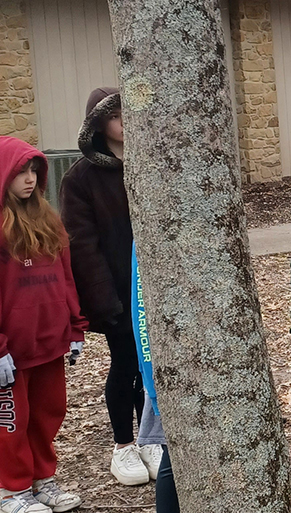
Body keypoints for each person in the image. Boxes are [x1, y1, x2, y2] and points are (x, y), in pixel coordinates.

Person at [60, 87, 160, 487]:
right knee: (125, 363)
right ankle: (123, 444)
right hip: (118, 292)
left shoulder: (149, 164)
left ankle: (149, 435)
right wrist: (106, 301)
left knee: (150, 366)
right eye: (115, 115)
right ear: (99, 124)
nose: (124, 122)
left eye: (126, 113)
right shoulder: (81, 178)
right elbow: (81, 245)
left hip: (155, 288)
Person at [0, 137, 86, 513]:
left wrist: (73, 327)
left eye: (34, 169)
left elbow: (65, 277)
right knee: (12, 420)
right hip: (11, 351)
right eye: (20, 171)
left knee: (48, 413)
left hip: (49, 341)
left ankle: (42, 479)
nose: (29, 178)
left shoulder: (48, 219)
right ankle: (11, 489)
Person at [130, 247, 189, 513]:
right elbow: (142, 313)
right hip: (168, 374)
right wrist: (154, 382)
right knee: (172, 456)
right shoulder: (148, 239)